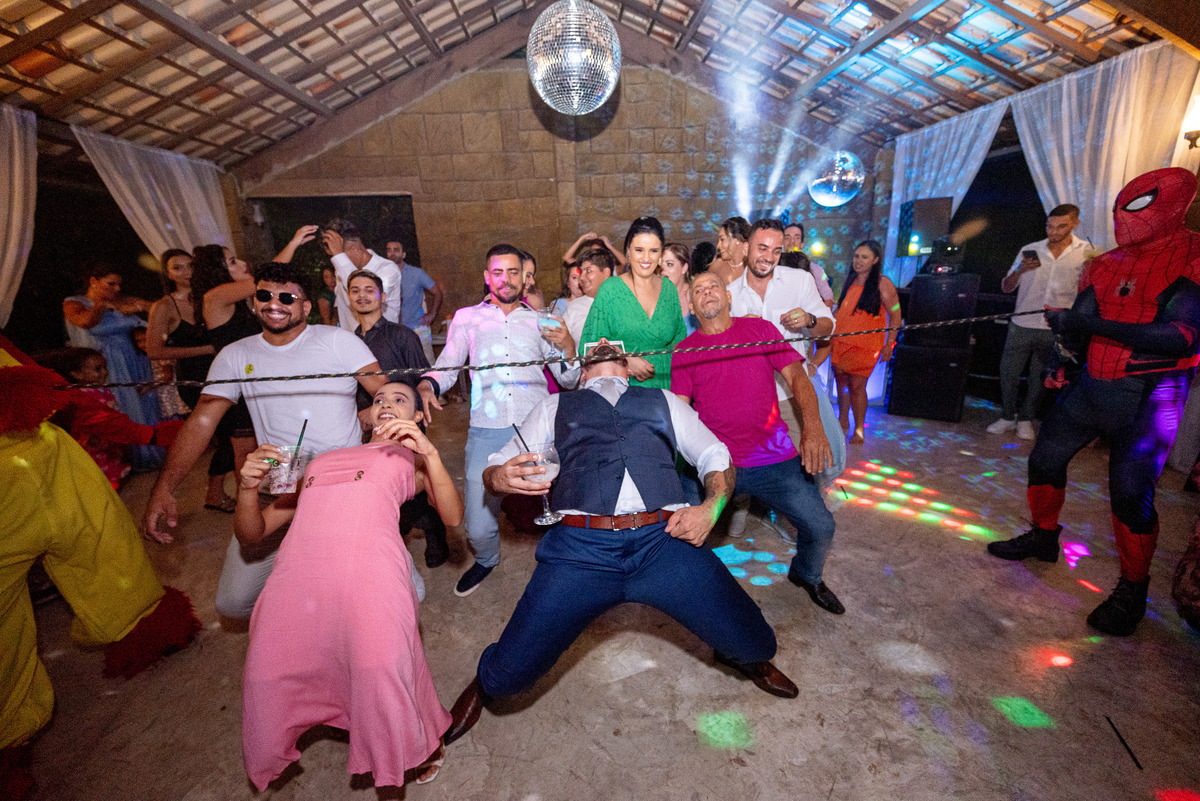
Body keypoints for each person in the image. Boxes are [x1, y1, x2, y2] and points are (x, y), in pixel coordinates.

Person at [439, 340, 799, 746]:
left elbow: (715, 454)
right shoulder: (554, 406)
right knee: (508, 679)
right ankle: (485, 683)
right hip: (580, 549)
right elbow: (495, 465)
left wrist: (712, 507)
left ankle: (738, 653)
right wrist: (498, 477)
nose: (604, 344)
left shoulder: (663, 400)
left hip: (664, 540)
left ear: (628, 367)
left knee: (758, 643)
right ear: (581, 371)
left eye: (613, 347)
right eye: (594, 346)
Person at [987, 168, 1200, 636]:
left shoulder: (1193, 255)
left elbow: (1182, 336)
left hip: (1152, 395)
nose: (1127, 218)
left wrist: (1087, 326)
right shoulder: (1105, 264)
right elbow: (1078, 320)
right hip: (1092, 384)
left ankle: (1133, 589)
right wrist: (1062, 358)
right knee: (1044, 459)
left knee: (1130, 494)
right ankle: (1044, 537)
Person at [0, 334, 199, 798]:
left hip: (56, 468)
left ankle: (146, 630)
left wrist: (147, 435)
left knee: (110, 552)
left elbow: (74, 407)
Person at [237, 382, 463, 790]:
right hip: (298, 579)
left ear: (417, 417)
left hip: (370, 575)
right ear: (367, 416)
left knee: (380, 670)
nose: (386, 403)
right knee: (265, 675)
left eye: (399, 400)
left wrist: (430, 454)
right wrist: (247, 489)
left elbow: (452, 517)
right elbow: (253, 533)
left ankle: (418, 739)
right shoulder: (323, 460)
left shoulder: (411, 460)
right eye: (379, 400)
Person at [143, 261, 389, 619]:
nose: (275, 303)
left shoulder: (338, 341)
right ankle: (300, 610)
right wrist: (165, 486)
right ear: (254, 301)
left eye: (287, 297)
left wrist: (379, 422)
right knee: (233, 602)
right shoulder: (236, 355)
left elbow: (385, 393)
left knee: (389, 592)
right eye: (264, 295)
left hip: (342, 485)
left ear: (306, 306)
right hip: (281, 486)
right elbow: (202, 420)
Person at [673, 272, 843, 613]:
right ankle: (697, 591)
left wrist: (813, 427)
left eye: (714, 285)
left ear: (729, 296)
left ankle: (807, 574)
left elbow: (797, 377)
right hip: (717, 464)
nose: (707, 292)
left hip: (773, 458)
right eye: (699, 290)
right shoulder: (685, 352)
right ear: (691, 307)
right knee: (682, 530)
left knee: (822, 525)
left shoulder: (760, 330)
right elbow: (680, 410)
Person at [420, 244, 580, 597]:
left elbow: (568, 379)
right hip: (487, 428)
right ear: (486, 277)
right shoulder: (467, 318)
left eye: (513, 272)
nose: (505, 279)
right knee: (477, 525)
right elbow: (448, 364)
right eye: (498, 272)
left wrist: (569, 346)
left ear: (525, 278)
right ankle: (487, 559)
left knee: (561, 500)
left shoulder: (542, 321)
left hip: (535, 426)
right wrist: (429, 384)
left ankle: (570, 563)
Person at [728, 219, 843, 527]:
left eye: (776, 251)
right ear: (746, 248)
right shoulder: (730, 294)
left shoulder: (799, 281)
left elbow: (828, 328)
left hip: (791, 393)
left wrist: (808, 319)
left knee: (807, 461)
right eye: (762, 248)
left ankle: (808, 523)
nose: (768, 257)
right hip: (749, 399)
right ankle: (744, 509)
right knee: (746, 459)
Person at [348, 268, 449, 568]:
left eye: (369, 290)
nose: (363, 296)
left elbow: (422, 382)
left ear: (383, 297)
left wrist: (407, 417)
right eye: (355, 290)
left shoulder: (402, 336)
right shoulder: (348, 341)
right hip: (368, 429)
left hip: (406, 425)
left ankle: (435, 533)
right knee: (381, 483)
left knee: (415, 484)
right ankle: (397, 529)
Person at [987, 204, 1090, 440]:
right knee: (1008, 372)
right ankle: (1007, 416)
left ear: (1075, 224)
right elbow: (1006, 287)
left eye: (1060, 226)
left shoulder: (1086, 253)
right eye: (1049, 226)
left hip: (1055, 327)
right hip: (1022, 322)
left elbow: (1088, 292)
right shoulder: (1030, 250)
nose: (1053, 231)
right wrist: (1019, 270)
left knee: (1040, 376)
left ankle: (1026, 419)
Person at [146, 249, 235, 510]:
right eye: (178, 267)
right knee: (229, 435)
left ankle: (225, 491)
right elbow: (154, 351)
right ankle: (214, 493)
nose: (186, 272)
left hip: (224, 371)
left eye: (190, 265)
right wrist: (206, 349)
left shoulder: (210, 297)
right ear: (168, 274)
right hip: (195, 378)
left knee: (238, 434)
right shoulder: (164, 306)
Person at [35, 347, 184, 489]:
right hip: (96, 451)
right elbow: (105, 421)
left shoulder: (97, 391)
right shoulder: (81, 397)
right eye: (97, 369)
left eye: (105, 367)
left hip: (110, 445)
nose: (104, 372)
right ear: (76, 374)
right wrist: (150, 434)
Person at [62, 264, 160, 468]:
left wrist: (141, 306)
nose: (117, 289)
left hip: (134, 358)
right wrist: (101, 305)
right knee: (121, 405)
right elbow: (84, 322)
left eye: (119, 285)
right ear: (94, 281)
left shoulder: (122, 300)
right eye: (111, 284)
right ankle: (124, 461)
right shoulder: (74, 303)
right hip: (107, 363)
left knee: (145, 403)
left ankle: (151, 452)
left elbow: (159, 310)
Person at [580, 216, 687, 389]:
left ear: (661, 255)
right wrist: (625, 360)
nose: (646, 258)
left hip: (666, 385)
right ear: (628, 252)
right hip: (623, 388)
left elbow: (680, 341)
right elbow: (589, 345)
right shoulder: (611, 289)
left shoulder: (669, 289)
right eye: (639, 250)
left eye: (653, 251)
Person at [190, 244, 260, 496]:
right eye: (232, 262)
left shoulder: (235, 301)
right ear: (216, 271)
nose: (242, 264)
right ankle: (247, 502)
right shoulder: (215, 297)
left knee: (261, 445)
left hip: (253, 381)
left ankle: (273, 497)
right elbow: (267, 279)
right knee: (245, 450)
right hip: (237, 384)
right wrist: (294, 243)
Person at [831, 240, 900, 445]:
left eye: (864, 257)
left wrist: (890, 343)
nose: (858, 261)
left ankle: (859, 429)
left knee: (857, 386)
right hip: (841, 341)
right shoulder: (851, 281)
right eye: (856, 256)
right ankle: (842, 421)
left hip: (866, 345)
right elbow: (841, 310)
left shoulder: (882, 283)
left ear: (875, 260)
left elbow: (895, 314)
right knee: (841, 383)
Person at [322, 219, 404, 332]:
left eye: (340, 256)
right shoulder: (343, 269)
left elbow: (364, 297)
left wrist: (339, 257)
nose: (338, 261)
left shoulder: (387, 269)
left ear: (354, 248)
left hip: (382, 340)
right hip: (351, 341)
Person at [387, 238, 444, 362]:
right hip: (394, 331)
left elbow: (437, 292)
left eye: (396, 250)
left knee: (427, 363)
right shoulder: (383, 276)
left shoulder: (416, 273)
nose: (392, 253)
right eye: (389, 250)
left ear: (403, 254)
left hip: (418, 328)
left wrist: (432, 314)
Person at [563, 247, 615, 345]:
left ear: (606, 273)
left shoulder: (623, 303)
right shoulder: (574, 308)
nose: (581, 278)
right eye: (581, 272)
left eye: (588, 270)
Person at [779, 222, 834, 306]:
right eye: (787, 238)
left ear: (802, 244)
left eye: (797, 238)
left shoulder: (816, 270)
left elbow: (828, 301)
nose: (792, 242)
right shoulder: (774, 268)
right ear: (781, 243)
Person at [662, 242, 698, 335]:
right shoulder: (654, 300)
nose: (662, 270)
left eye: (669, 264)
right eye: (660, 265)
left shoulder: (697, 295)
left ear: (684, 268)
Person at [709, 216, 750, 286]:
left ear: (737, 240)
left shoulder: (753, 267)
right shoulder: (717, 266)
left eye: (722, 239)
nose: (718, 246)